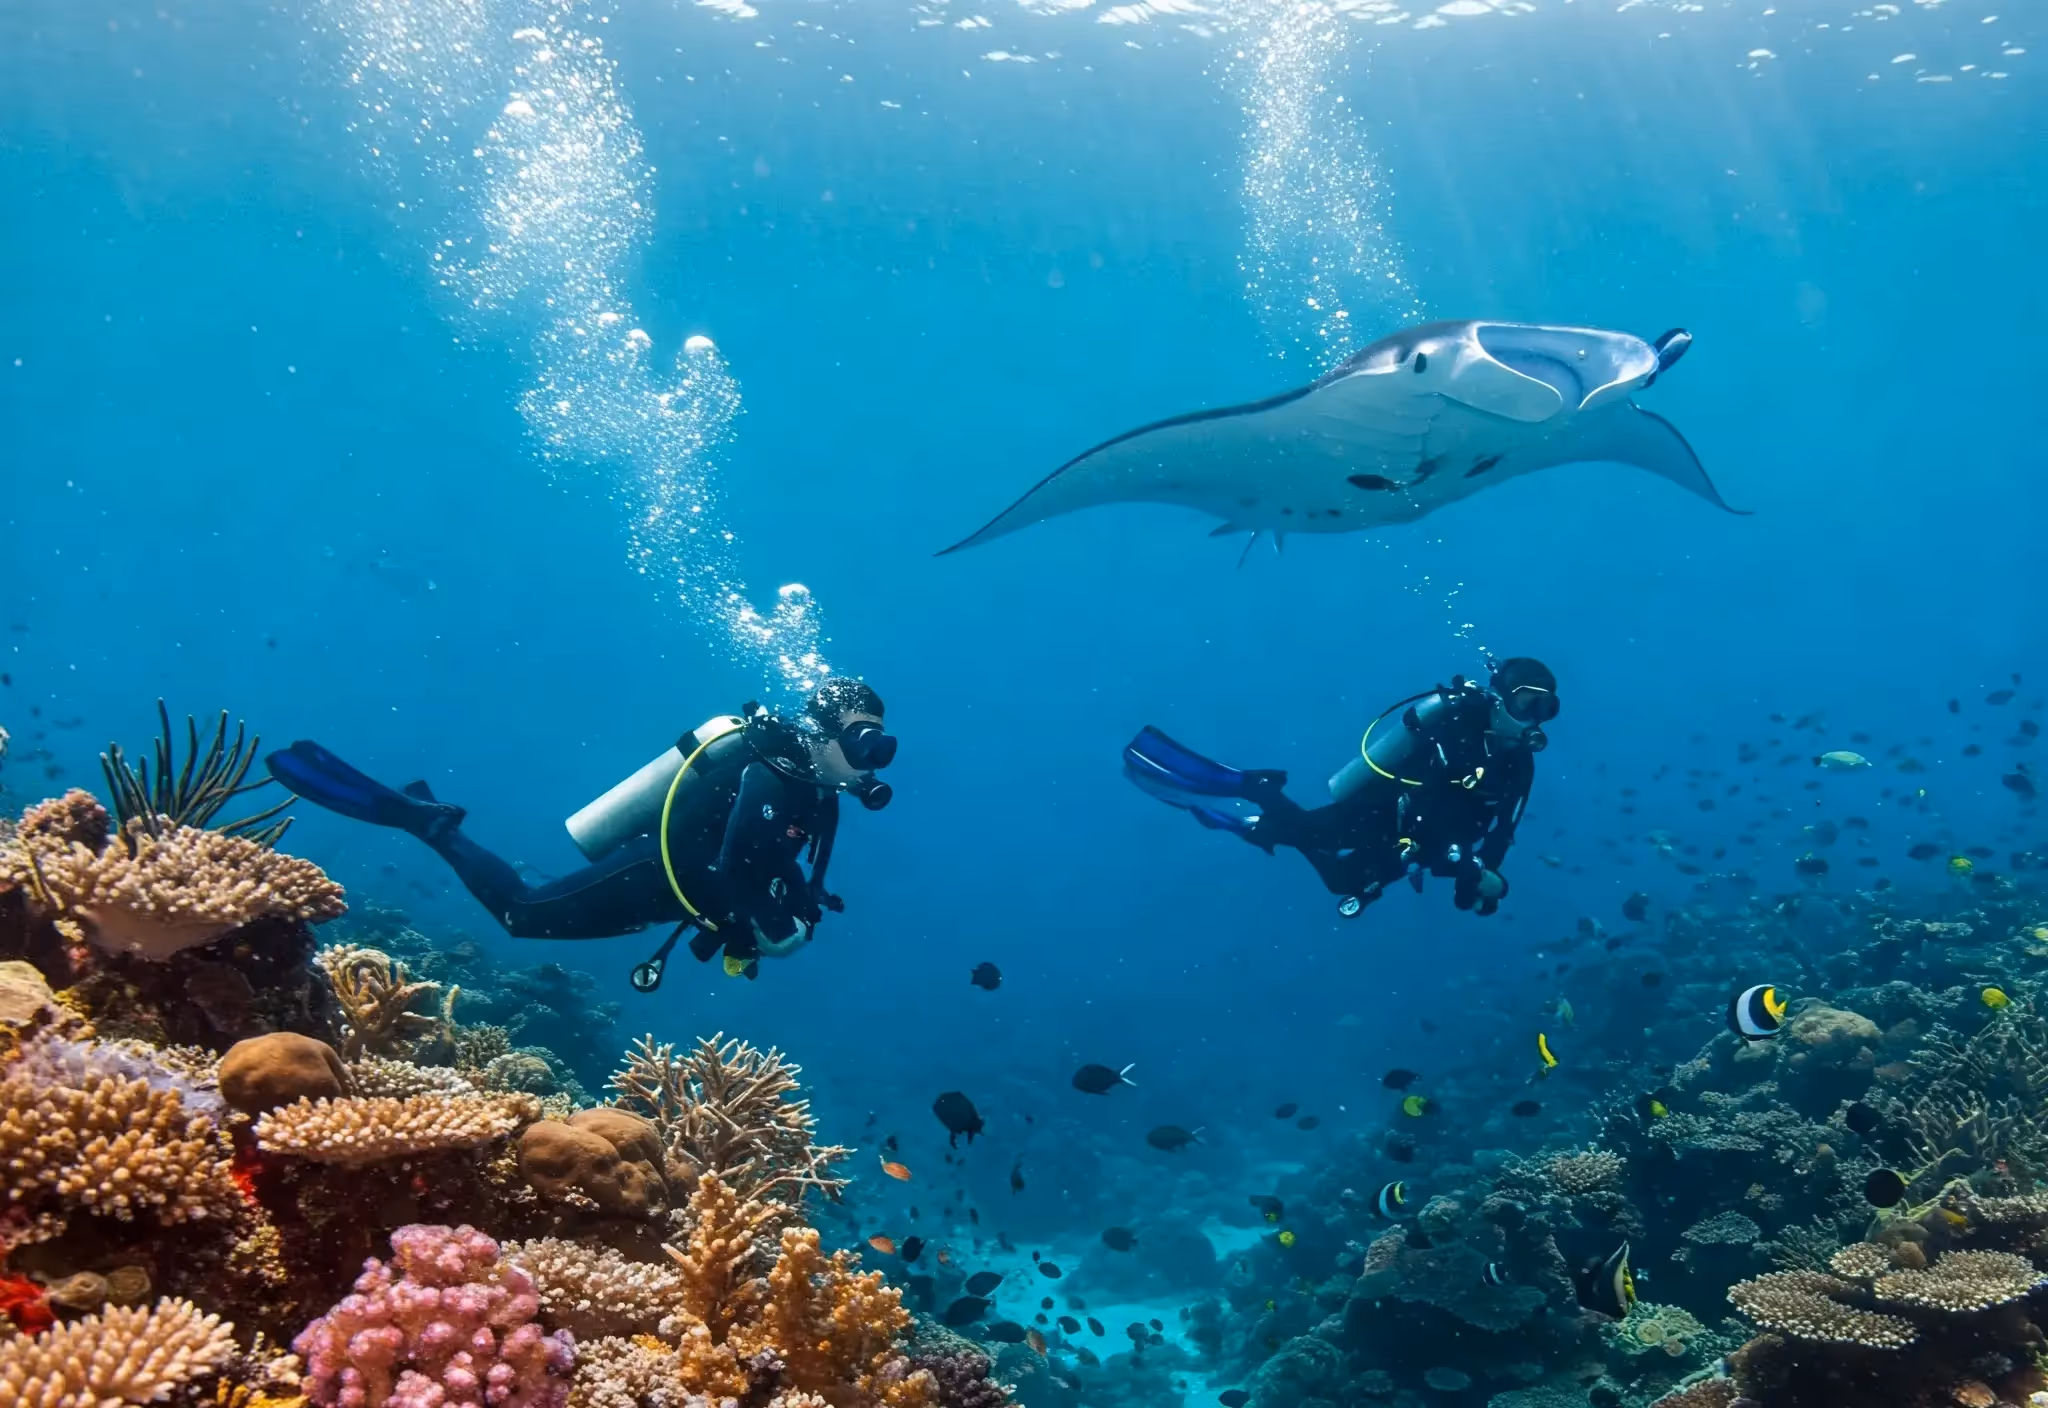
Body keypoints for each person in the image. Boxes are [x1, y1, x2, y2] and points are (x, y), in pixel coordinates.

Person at [266, 678, 897, 988]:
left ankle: (437, 820)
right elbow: (732, 866)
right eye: (861, 739)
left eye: (877, 742)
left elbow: (773, 862)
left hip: (670, 894)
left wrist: (790, 910)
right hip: (653, 874)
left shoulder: (819, 796)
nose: (871, 757)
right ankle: (428, 823)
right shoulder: (772, 777)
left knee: (547, 898)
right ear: (821, 732)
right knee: (520, 914)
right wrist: (755, 926)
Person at [1123, 658, 1556, 919]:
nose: (1534, 717)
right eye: (1527, 702)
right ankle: (1257, 791)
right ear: (1499, 697)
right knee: (1306, 833)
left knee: (1343, 881)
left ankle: (1259, 819)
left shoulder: (1520, 763)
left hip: (1432, 845)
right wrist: (1459, 861)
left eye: (1545, 708)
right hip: (1384, 810)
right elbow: (1428, 794)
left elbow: (1505, 827)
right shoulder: (1460, 726)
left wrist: (1484, 875)